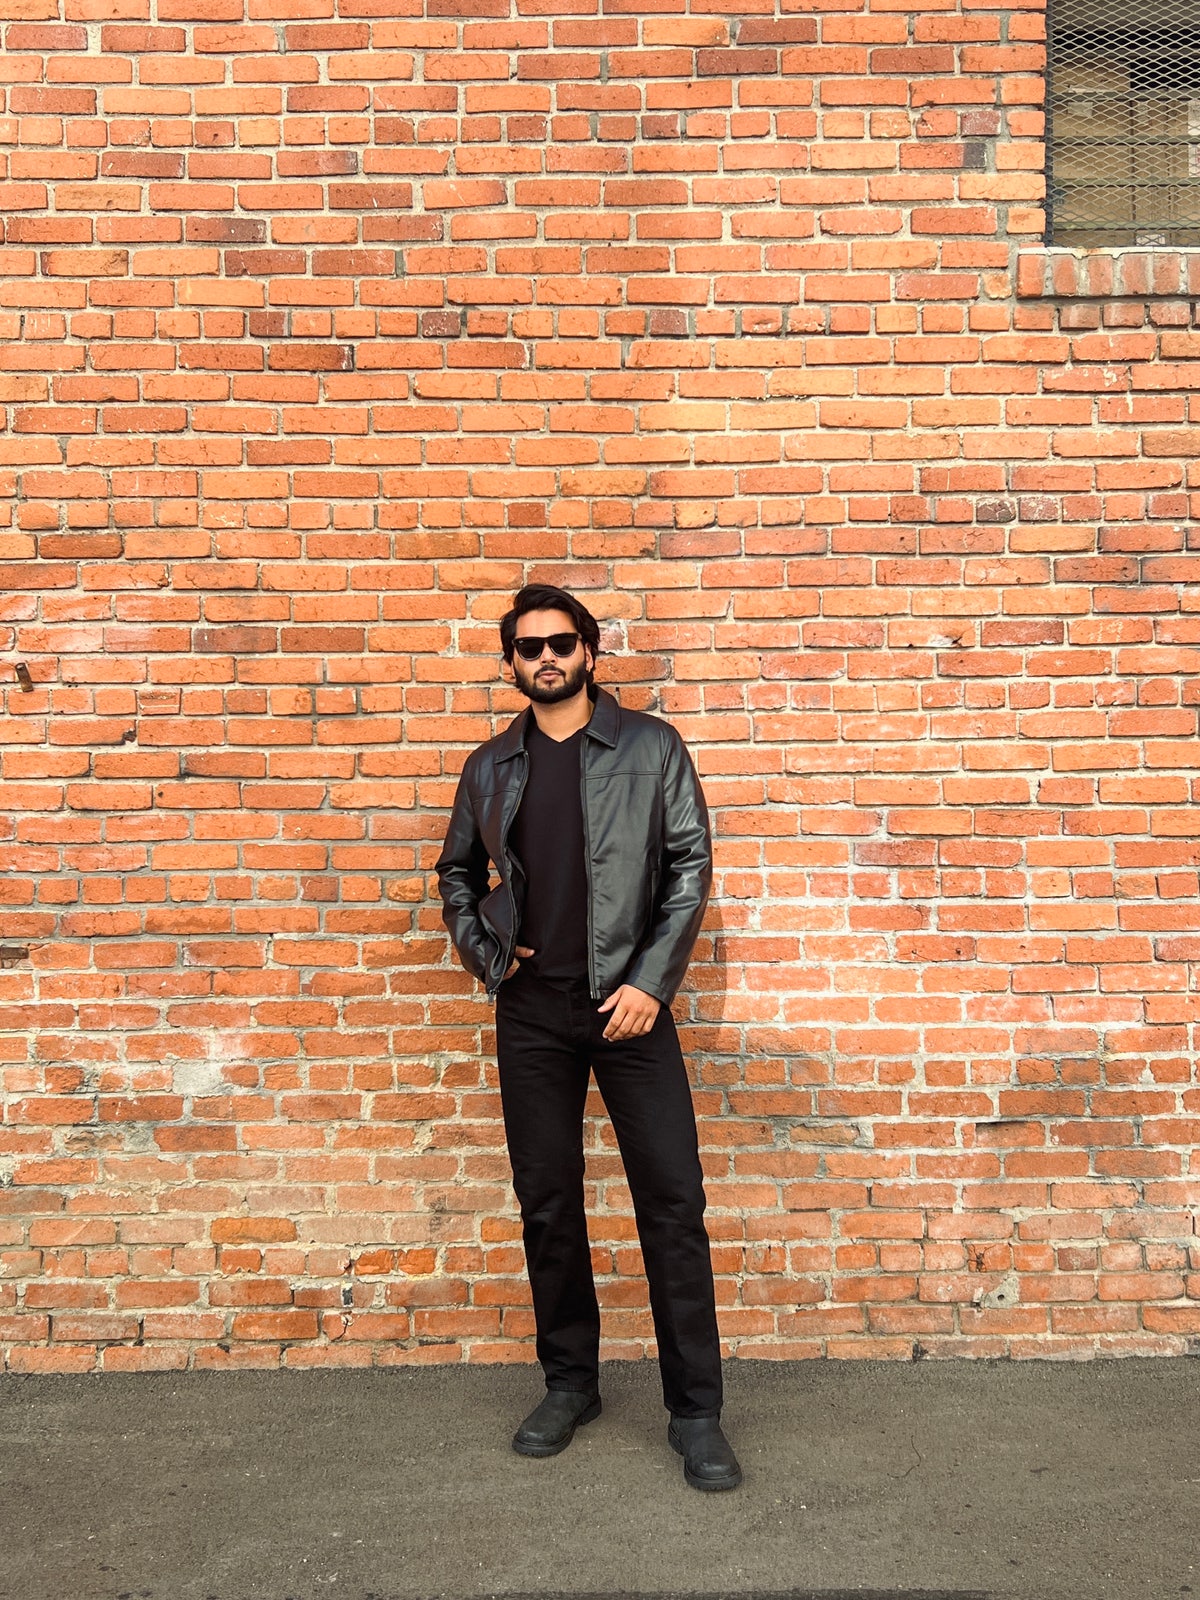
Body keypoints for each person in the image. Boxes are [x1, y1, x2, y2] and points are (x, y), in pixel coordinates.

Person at [435, 584, 741, 1492]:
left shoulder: (651, 747)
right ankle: (570, 1385)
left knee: (672, 1204)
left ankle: (697, 1413)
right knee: (549, 1204)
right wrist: (488, 954)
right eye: (529, 647)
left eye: (561, 643)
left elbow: (689, 865)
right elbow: (456, 873)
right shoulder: (490, 765)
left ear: (589, 653)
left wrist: (651, 982)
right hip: (533, 1013)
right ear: (511, 663)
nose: (546, 658)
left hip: (630, 1011)